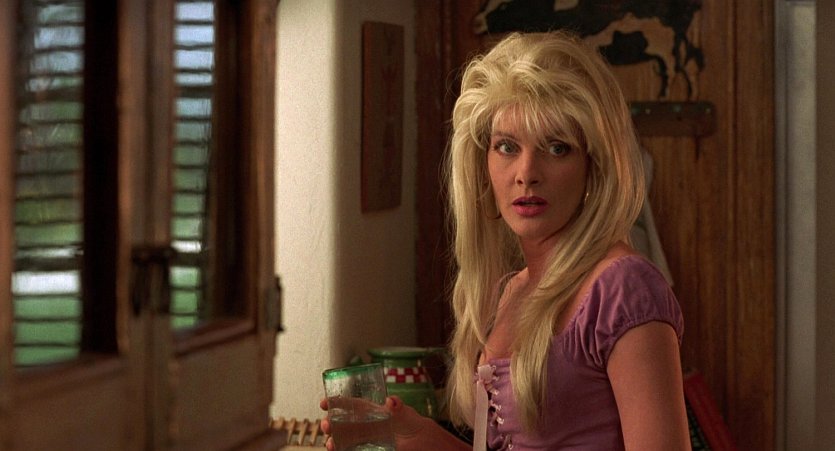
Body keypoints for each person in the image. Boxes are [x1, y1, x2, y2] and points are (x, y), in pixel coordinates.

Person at [321, 30, 690, 451]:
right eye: (507, 146)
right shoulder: (509, 292)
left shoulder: (623, 288)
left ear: (594, 165)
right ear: (483, 163)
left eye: (557, 148)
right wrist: (426, 440)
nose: (526, 173)